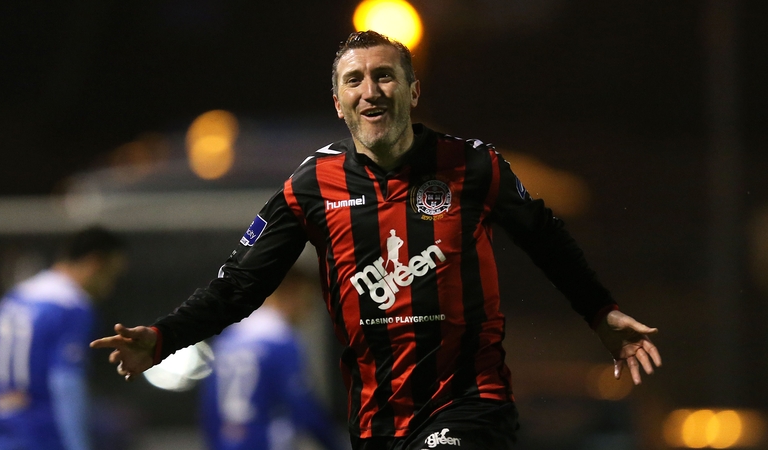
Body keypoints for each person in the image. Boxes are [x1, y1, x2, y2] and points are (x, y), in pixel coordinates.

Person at [91, 30, 662, 449]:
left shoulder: (472, 165)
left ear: (413, 93)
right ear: (339, 102)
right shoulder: (310, 187)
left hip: (471, 405)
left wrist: (599, 312)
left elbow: (545, 236)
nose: (372, 90)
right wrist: (164, 336)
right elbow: (238, 285)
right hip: (376, 423)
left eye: (385, 76)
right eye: (355, 80)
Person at [0, 226, 127, 450]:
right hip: (44, 436)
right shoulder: (72, 306)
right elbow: (66, 384)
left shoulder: (14, 298)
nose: (109, 288)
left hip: (4, 434)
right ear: (94, 263)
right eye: (111, 276)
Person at [198, 268, 349, 450]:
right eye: (307, 302)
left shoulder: (228, 338)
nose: (308, 312)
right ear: (290, 294)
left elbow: (209, 409)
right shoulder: (280, 341)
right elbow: (301, 405)